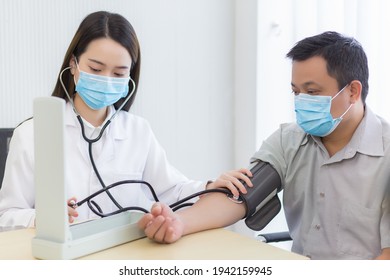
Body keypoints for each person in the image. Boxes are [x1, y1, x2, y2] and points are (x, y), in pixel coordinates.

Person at [138, 31, 390, 260]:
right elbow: (241, 195)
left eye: (312, 92)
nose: (301, 102)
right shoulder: (289, 140)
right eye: (296, 91)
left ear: (353, 91)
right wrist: (179, 222)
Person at [0, 11, 253, 231]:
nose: (107, 80)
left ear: (130, 77)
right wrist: (41, 218)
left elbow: (172, 190)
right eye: (96, 69)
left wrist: (210, 186)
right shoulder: (32, 134)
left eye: (119, 73)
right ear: (73, 64)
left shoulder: (137, 131)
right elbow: (7, 215)